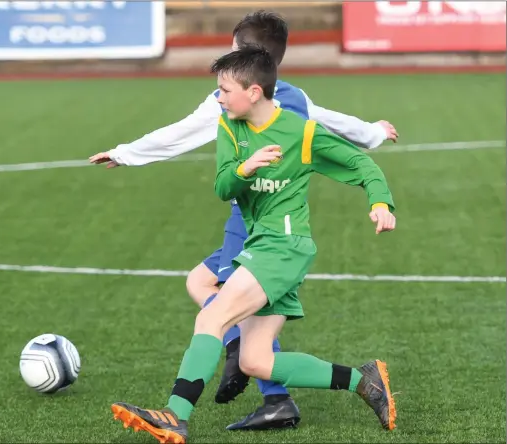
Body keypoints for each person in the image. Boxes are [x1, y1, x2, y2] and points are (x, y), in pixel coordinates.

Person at [90, 10, 399, 432]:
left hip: (281, 247)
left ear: (253, 84)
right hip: (261, 240)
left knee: (212, 316)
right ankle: (362, 381)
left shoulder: (294, 126)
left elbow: (350, 155)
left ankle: (176, 416)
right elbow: (223, 185)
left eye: (225, 85)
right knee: (257, 358)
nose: (218, 94)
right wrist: (245, 169)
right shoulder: (231, 123)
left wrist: (381, 202)